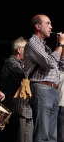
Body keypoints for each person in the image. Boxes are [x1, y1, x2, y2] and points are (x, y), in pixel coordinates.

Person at [23, 14, 64, 142]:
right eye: (48, 23)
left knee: (52, 136)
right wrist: (60, 44)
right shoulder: (32, 43)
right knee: (42, 135)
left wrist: (62, 47)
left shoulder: (45, 47)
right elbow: (50, 62)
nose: (51, 27)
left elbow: (60, 65)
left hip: (53, 90)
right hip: (42, 89)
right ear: (38, 26)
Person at [0, 37, 33, 142]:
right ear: (19, 49)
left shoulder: (23, 64)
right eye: (27, 49)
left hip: (27, 109)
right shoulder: (11, 62)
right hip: (18, 110)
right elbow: (23, 78)